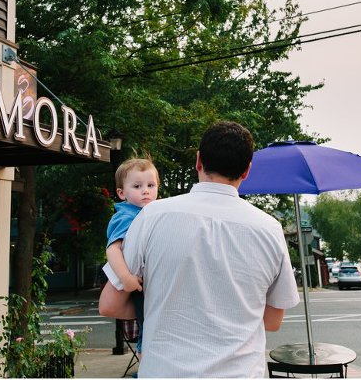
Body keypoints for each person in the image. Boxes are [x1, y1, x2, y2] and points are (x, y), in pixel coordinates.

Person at [99, 121, 300, 378]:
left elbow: (109, 305)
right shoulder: (269, 228)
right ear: (247, 171)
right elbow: (272, 322)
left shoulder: (150, 217)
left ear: (198, 161)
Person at [102, 158, 159, 353]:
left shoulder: (149, 214)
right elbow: (113, 249)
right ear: (121, 193)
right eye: (137, 186)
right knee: (148, 330)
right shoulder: (127, 216)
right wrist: (126, 278)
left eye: (151, 185)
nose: (146, 190)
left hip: (143, 280)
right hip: (135, 281)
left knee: (149, 324)